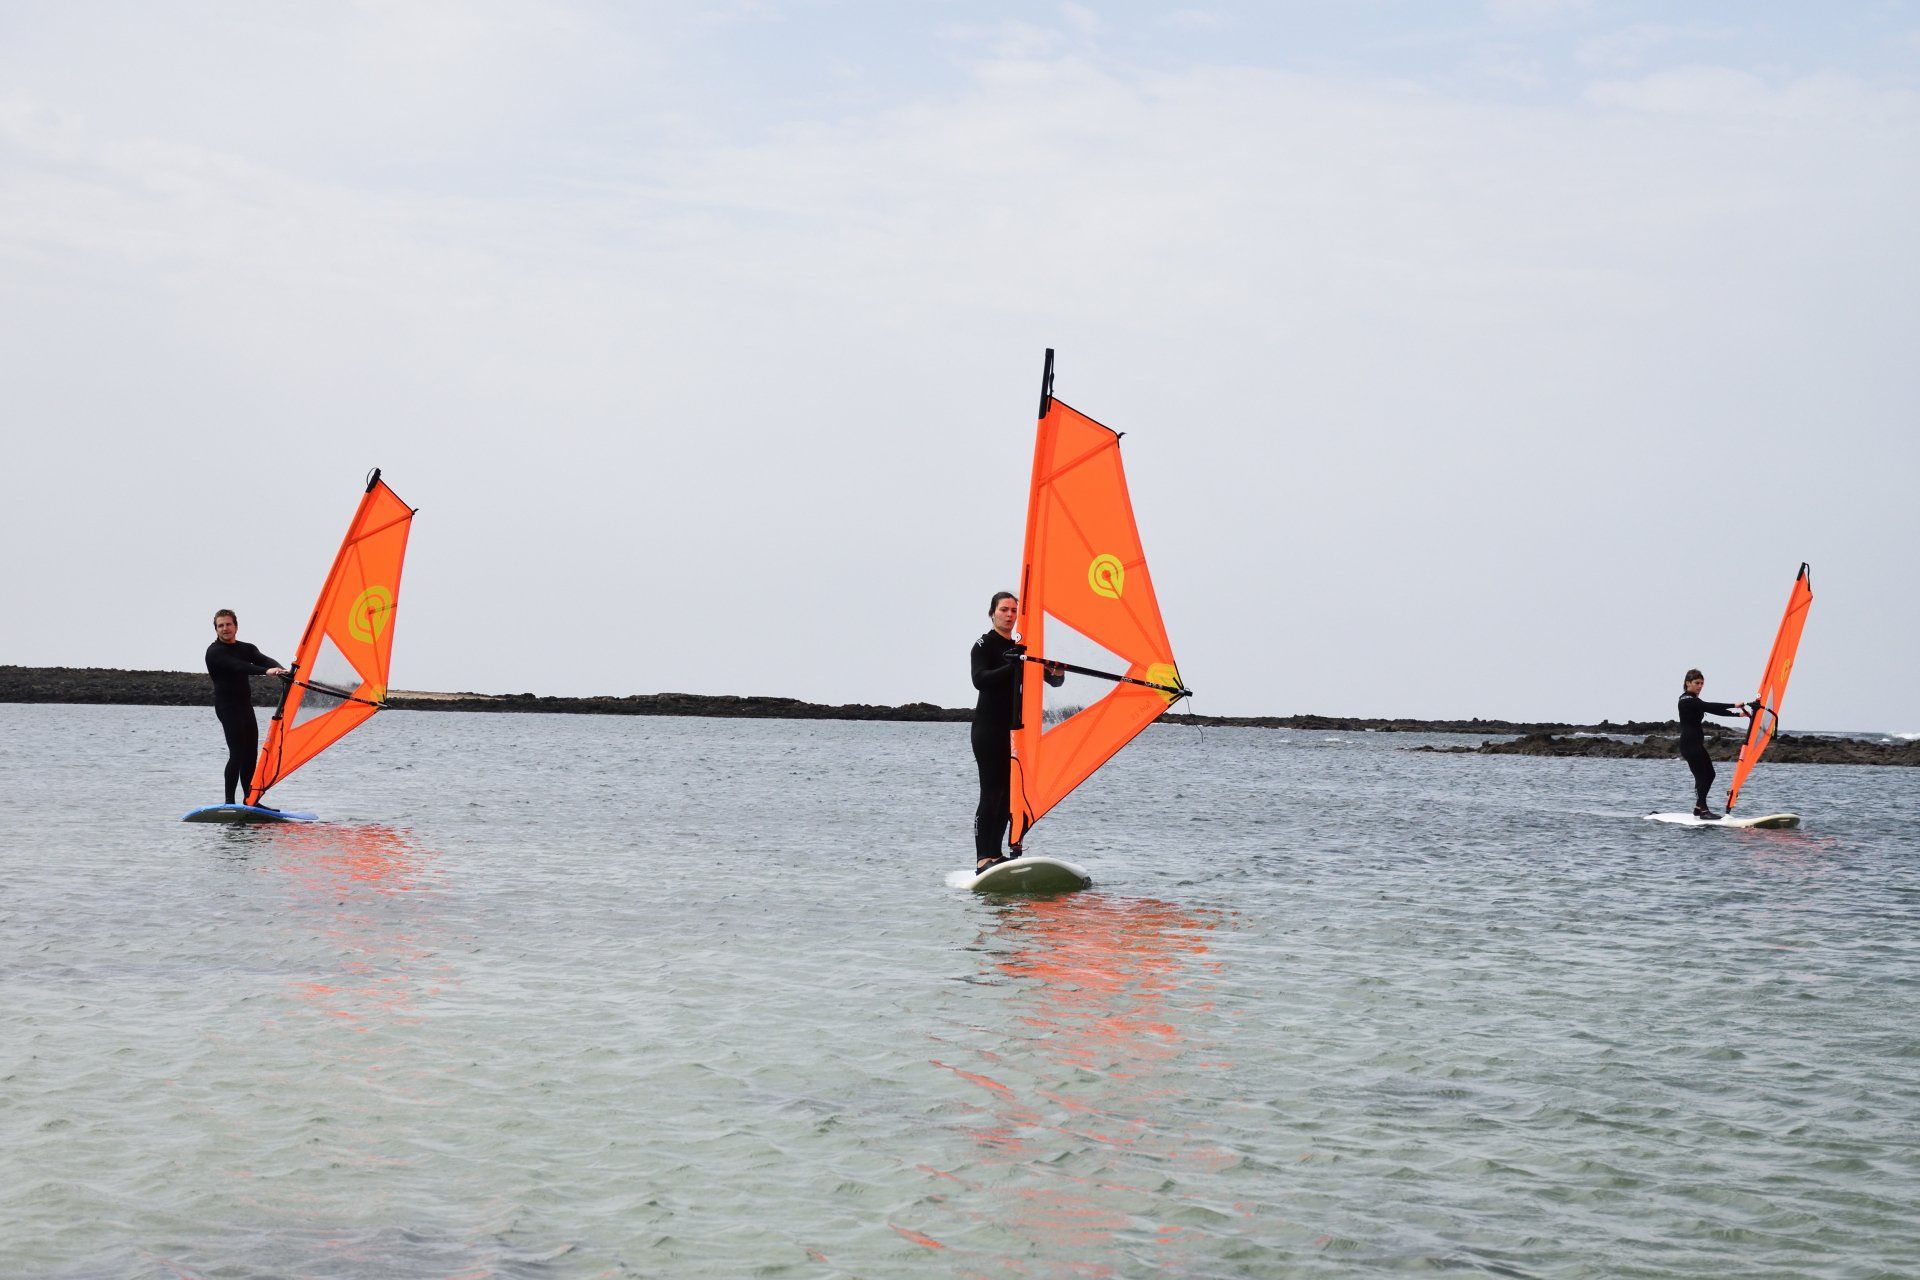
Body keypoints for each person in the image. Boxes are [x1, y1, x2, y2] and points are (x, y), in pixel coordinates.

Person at [971, 591, 1063, 872]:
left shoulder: (1024, 648)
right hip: (988, 730)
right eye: (1004, 610)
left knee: (1011, 795)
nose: (1009, 615)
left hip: (1016, 732)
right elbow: (980, 680)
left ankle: (998, 855)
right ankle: (983, 858)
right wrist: (1012, 665)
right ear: (992, 613)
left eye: (1014, 611)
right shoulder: (983, 645)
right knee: (991, 793)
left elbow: (1052, 681)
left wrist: (1056, 673)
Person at [206, 609, 287, 806]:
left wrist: (280, 669)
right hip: (227, 708)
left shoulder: (247, 648)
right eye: (221, 625)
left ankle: (250, 800)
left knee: (251, 754)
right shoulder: (214, 652)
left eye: (228, 624)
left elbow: (263, 659)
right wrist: (265, 672)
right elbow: (239, 666)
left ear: (236, 626)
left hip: (245, 707)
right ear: (216, 629)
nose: (225, 629)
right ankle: (229, 803)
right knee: (237, 753)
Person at [1677, 668, 1751, 819]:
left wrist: (1738, 714)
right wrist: (1734, 705)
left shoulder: (1694, 700)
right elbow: (1710, 706)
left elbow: (1712, 709)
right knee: (1701, 776)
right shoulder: (1686, 700)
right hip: (1689, 745)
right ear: (1688, 683)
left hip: (1696, 745)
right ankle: (1703, 811)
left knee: (1710, 774)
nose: (1700, 686)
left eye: (1702, 684)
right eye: (1697, 683)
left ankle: (1699, 807)